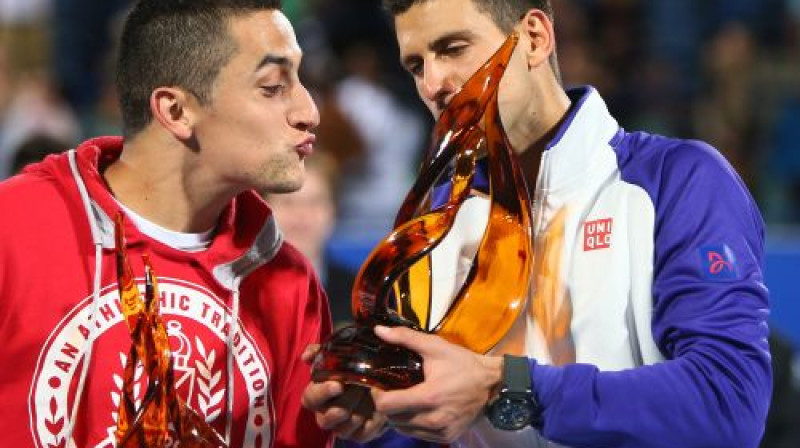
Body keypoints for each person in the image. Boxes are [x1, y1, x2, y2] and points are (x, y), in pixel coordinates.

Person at [301, 0, 772, 447]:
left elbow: (728, 402)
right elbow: (451, 423)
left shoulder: (676, 180)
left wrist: (508, 386)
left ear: (534, 37)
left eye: (452, 49)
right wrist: (384, 415)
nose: (432, 84)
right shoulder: (437, 219)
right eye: (416, 65)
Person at [0, 1, 332, 447]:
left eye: (299, 79)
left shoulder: (290, 284)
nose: (308, 111)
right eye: (272, 87)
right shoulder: (14, 229)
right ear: (175, 111)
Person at [265, 150, 357, 329]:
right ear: (264, 208)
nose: (301, 216)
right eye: (288, 202)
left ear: (334, 210)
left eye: (314, 202)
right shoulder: (238, 291)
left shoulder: (359, 295)